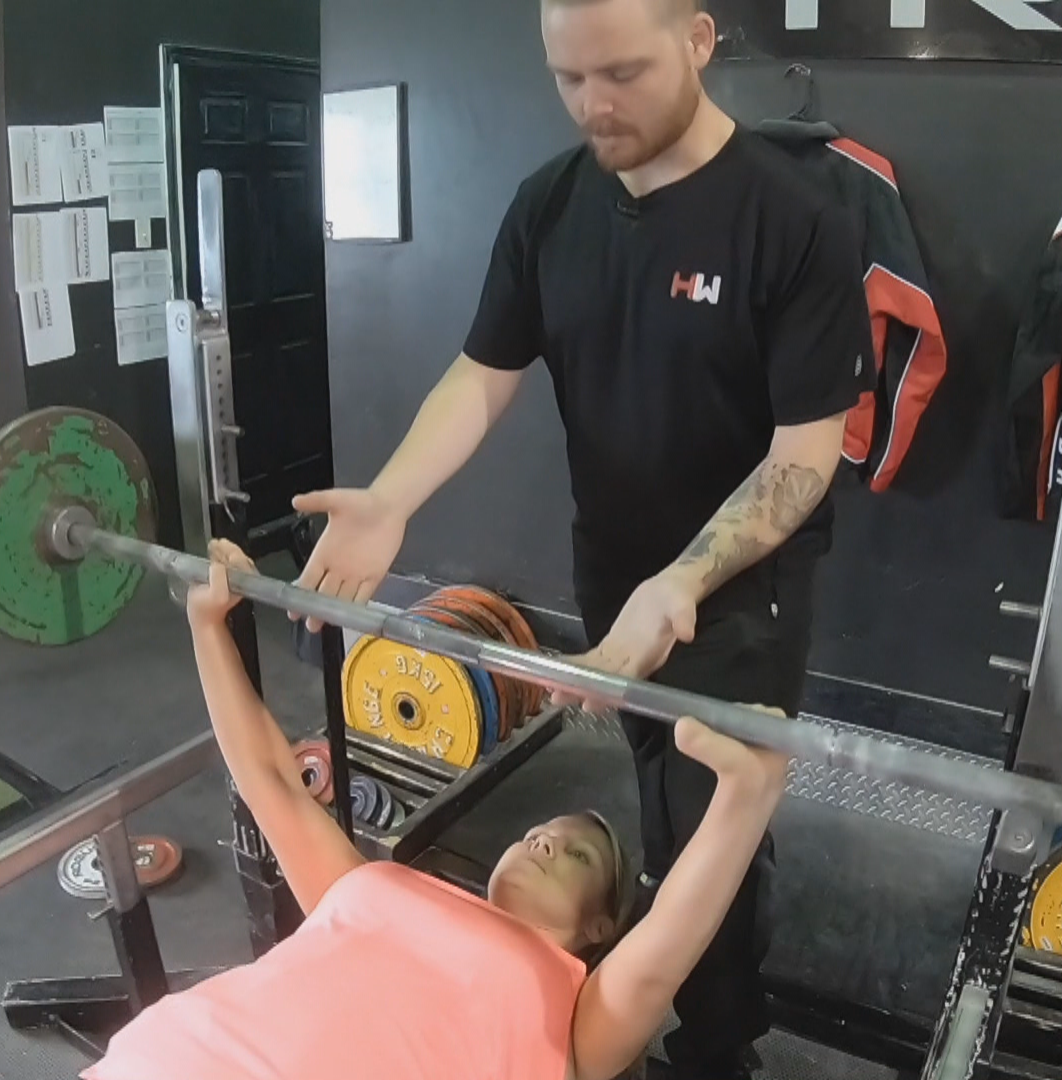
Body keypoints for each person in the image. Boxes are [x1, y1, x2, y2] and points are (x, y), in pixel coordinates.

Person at [288, 0, 871, 1074]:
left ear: (700, 38)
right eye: (569, 79)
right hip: (611, 560)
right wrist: (391, 497)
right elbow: (481, 376)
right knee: (654, 778)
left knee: (711, 817)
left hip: (742, 588)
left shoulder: (796, 219)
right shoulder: (548, 207)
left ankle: (719, 1044)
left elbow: (803, 456)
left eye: (623, 74)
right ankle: (637, 984)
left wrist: (685, 582)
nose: (595, 106)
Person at [83, 540, 789, 1080]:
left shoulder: (574, 1015)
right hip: (177, 1056)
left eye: (577, 856)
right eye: (544, 835)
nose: (545, 844)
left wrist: (745, 797)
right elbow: (269, 779)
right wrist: (208, 627)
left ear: (598, 928)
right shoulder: (368, 887)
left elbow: (665, 948)